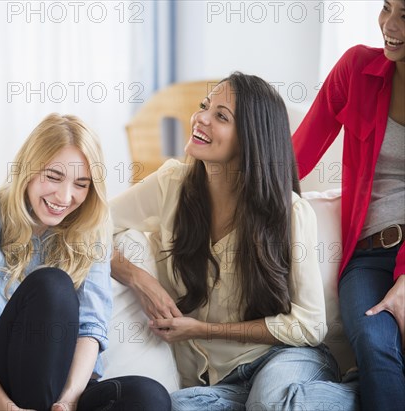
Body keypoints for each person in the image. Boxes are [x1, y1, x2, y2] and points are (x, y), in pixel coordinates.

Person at [109, 73, 359, 410]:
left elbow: (310, 326)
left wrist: (203, 329)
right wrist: (137, 278)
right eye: (204, 107)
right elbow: (90, 227)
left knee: (271, 402)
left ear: (250, 139)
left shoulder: (289, 213)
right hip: (220, 383)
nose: (201, 118)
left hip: (285, 359)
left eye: (221, 116)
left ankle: (360, 392)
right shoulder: (171, 184)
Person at [0, 114, 171, 411]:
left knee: (150, 397)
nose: (65, 196)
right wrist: (7, 408)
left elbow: (90, 330)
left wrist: (69, 400)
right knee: (51, 286)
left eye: (81, 184)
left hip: (64, 390)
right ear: (29, 169)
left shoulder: (92, 229)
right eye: (53, 177)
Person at [292, 1, 405, 409]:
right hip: (368, 257)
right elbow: (297, 154)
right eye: (386, 7)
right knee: (377, 348)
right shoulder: (357, 69)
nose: (389, 25)